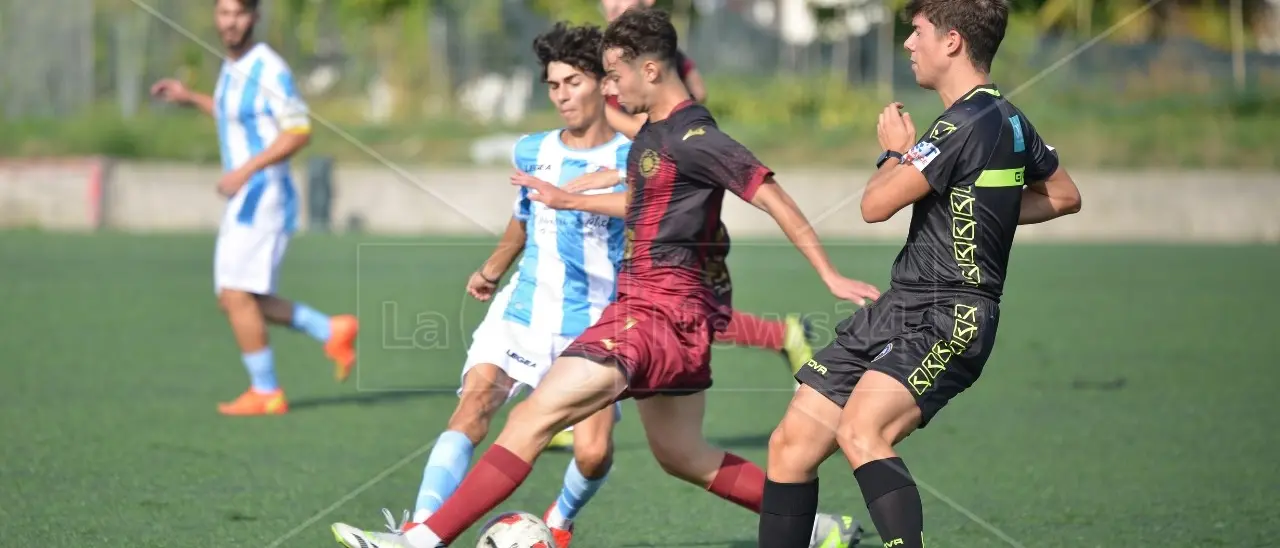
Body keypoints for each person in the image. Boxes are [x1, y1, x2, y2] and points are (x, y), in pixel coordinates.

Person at [330, 8, 879, 548]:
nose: (609, 86)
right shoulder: (656, 134)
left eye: (613, 74)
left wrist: (828, 273)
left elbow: (771, 194)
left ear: (652, 70)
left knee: (531, 418)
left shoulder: (698, 139)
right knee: (683, 455)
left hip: (652, 315)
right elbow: (650, 203)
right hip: (671, 320)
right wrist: (570, 196)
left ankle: (419, 542)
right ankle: (818, 529)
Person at [756, 1, 1083, 547]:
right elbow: (1064, 194)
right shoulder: (1007, 117)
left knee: (864, 430)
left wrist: (893, 153)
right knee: (790, 444)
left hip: (950, 315)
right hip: (901, 304)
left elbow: (875, 205)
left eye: (919, 31)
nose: (909, 43)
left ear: (952, 41)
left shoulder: (961, 123)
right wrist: (978, 203)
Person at [545, 0, 816, 452]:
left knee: (671, 308)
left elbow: (685, 105)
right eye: (608, 0)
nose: (613, 6)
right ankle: (781, 335)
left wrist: (609, 115)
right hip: (636, 170)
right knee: (632, 300)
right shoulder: (608, 50)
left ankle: (577, 414)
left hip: (667, 182)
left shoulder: (653, 53)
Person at [150, 0, 358, 416]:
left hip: (265, 196)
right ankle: (331, 330)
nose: (231, 22)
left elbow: (299, 131)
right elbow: (235, 115)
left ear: (255, 17)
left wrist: (245, 170)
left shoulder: (270, 69)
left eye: (239, 13)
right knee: (236, 297)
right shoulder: (232, 65)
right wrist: (191, 98)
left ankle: (267, 392)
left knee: (235, 294)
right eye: (224, 13)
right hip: (246, 197)